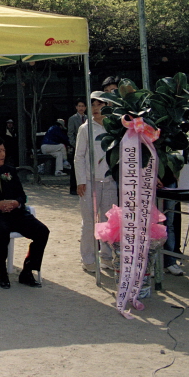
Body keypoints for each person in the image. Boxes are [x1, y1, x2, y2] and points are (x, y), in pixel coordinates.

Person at [0, 135, 49, 289]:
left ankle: (27, 270)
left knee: (42, 231)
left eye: (4, 150)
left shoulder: (9, 170)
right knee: (1, 231)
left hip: (15, 214)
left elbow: (21, 194)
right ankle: (3, 272)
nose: (3, 154)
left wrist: (16, 202)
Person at [74, 94, 116, 275]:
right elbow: (79, 156)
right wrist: (81, 180)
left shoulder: (114, 127)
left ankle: (106, 257)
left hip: (110, 181)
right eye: (94, 105)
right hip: (90, 182)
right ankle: (88, 259)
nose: (97, 108)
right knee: (89, 221)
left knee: (109, 221)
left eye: (101, 104)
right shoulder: (85, 129)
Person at [67, 99, 88, 195]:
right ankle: (73, 188)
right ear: (76, 107)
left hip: (87, 146)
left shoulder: (88, 118)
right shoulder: (72, 119)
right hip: (77, 146)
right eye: (79, 106)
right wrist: (75, 145)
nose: (81, 108)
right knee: (75, 168)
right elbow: (70, 133)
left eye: (83, 106)